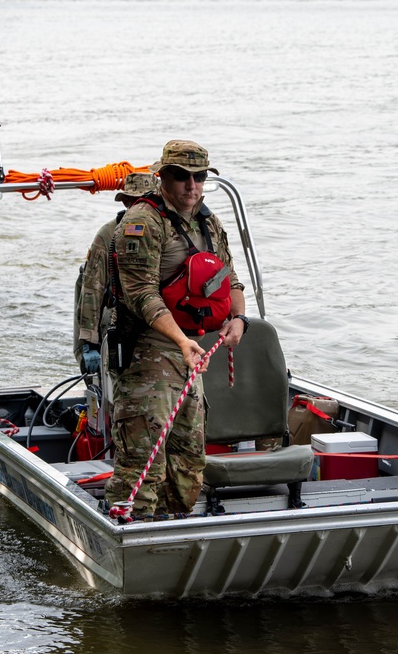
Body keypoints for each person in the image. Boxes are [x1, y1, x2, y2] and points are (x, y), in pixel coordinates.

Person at [104, 140, 249, 518]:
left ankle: (172, 535)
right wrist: (181, 340)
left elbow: (230, 278)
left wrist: (239, 319)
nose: (192, 186)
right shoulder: (142, 223)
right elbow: (141, 294)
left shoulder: (209, 222)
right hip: (149, 356)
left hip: (192, 354)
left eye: (199, 177)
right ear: (162, 177)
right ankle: (130, 535)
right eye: (181, 177)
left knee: (188, 463)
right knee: (142, 463)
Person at [73, 172, 159, 375]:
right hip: (118, 320)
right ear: (126, 202)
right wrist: (88, 342)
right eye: (137, 202)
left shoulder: (167, 230)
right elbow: (92, 287)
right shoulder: (109, 235)